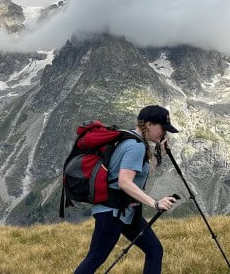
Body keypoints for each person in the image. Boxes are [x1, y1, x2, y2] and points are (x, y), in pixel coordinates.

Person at [74, 105, 180, 274]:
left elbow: (139, 170)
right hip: (112, 213)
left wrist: (159, 154)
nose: (164, 134)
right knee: (95, 258)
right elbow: (124, 181)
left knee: (154, 250)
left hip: (126, 212)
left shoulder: (133, 140)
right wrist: (155, 203)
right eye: (162, 128)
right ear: (150, 125)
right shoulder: (136, 146)